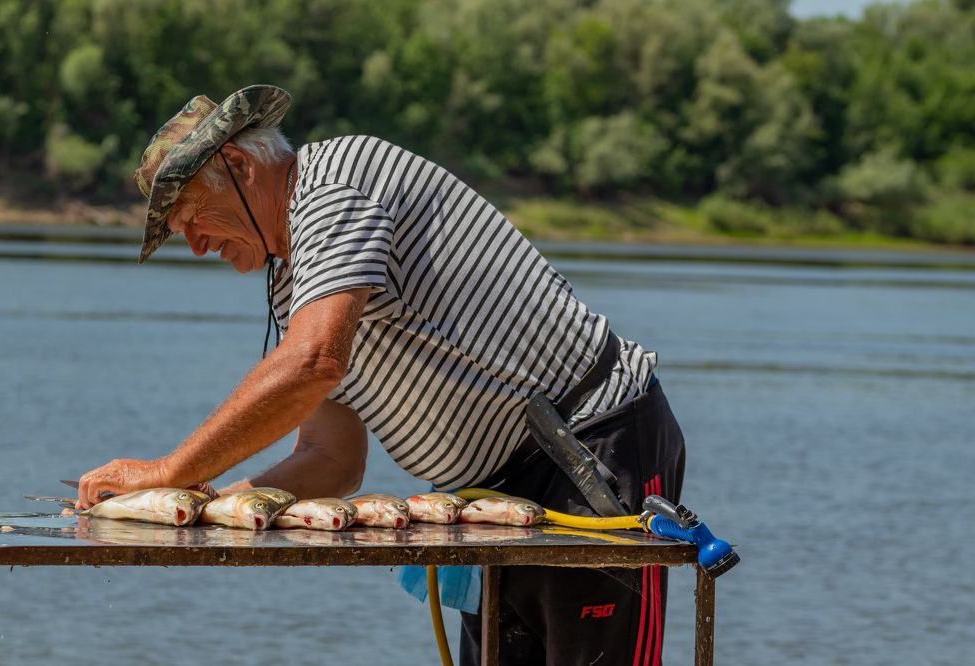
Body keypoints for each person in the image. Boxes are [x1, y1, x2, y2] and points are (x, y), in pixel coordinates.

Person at [76, 85, 686, 666]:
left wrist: (167, 472)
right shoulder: (296, 278)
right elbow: (331, 457)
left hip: (590, 451)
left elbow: (313, 363)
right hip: (492, 499)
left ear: (239, 165)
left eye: (194, 219)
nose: (199, 247)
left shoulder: (334, 186)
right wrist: (216, 505)